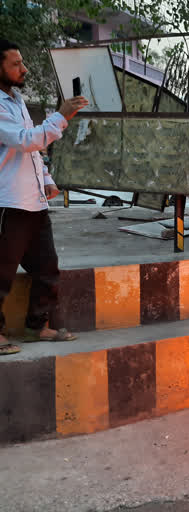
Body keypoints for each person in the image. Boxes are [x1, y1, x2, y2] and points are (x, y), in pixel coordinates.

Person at [0, 39, 88, 355]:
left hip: (34, 201)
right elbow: (26, 140)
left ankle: (36, 326)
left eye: (22, 62)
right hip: (8, 202)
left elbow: (32, 151)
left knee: (48, 267)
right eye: (15, 63)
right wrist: (61, 116)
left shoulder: (17, 99)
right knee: (2, 271)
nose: (23, 68)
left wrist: (47, 179)